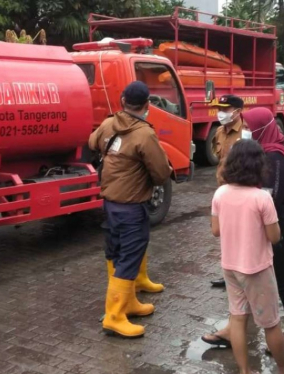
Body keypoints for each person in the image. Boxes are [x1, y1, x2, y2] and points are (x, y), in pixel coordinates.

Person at [202, 108, 284, 355]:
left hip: (280, 231)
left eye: (249, 125)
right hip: (256, 231)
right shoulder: (259, 155)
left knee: (283, 283)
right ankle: (233, 329)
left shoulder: (277, 157)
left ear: (264, 126)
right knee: (245, 281)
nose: (246, 130)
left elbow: (271, 197)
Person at [88, 81, 171, 338]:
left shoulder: (108, 123)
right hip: (132, 206)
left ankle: (129, 302)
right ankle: (114, 316)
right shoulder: (144, 134)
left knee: (115, 251)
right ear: (147, 105)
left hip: (110, 202)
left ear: (123, 100)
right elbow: (159, 174)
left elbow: (92, 143)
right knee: (130, 255)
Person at [209, 94, 248, 288]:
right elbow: (219, 157)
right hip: (223, 192)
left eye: (225, 109)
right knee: (226, 234)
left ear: (238, 111)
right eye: (219, 109)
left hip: (242, 193)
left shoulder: (247, 132)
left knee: (244, 234)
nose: (221, 113)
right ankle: (229, 274)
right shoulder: (219, 132)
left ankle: (245, 273)